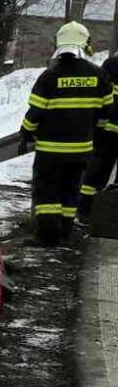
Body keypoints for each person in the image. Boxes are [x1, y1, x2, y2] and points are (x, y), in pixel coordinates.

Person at [21, 21, 114, 245]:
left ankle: (47, 236)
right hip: (81, 150)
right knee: (70, 191)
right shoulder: (99, 76)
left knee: (47, 193)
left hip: (49, 150)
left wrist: (26, 134)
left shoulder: (49, 77)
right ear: (85, 43)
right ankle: (65, 232)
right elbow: (106, 111)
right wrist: (93, 128)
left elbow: (34, 114)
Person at [80, 51, 118, 219]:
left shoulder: (109, 66)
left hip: (105, 132)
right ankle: (110, 216)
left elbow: (100, 98)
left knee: (95, 174)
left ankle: (85, 212)